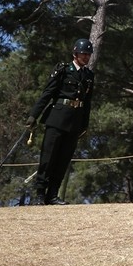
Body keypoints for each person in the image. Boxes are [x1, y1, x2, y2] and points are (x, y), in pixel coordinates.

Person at [26, 38, 95, 205]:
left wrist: (84, 125)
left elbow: (87, 103)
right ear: (75, 54)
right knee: (48, 158)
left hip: (74, 122)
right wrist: (33, 116)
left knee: (63, 160)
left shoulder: (88, 76)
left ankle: (52, 195)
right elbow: (47, 93)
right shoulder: (63, 70)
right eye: (83, 54)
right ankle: (40, 194)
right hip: (57, 118)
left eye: (88, 54)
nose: (86, 57)